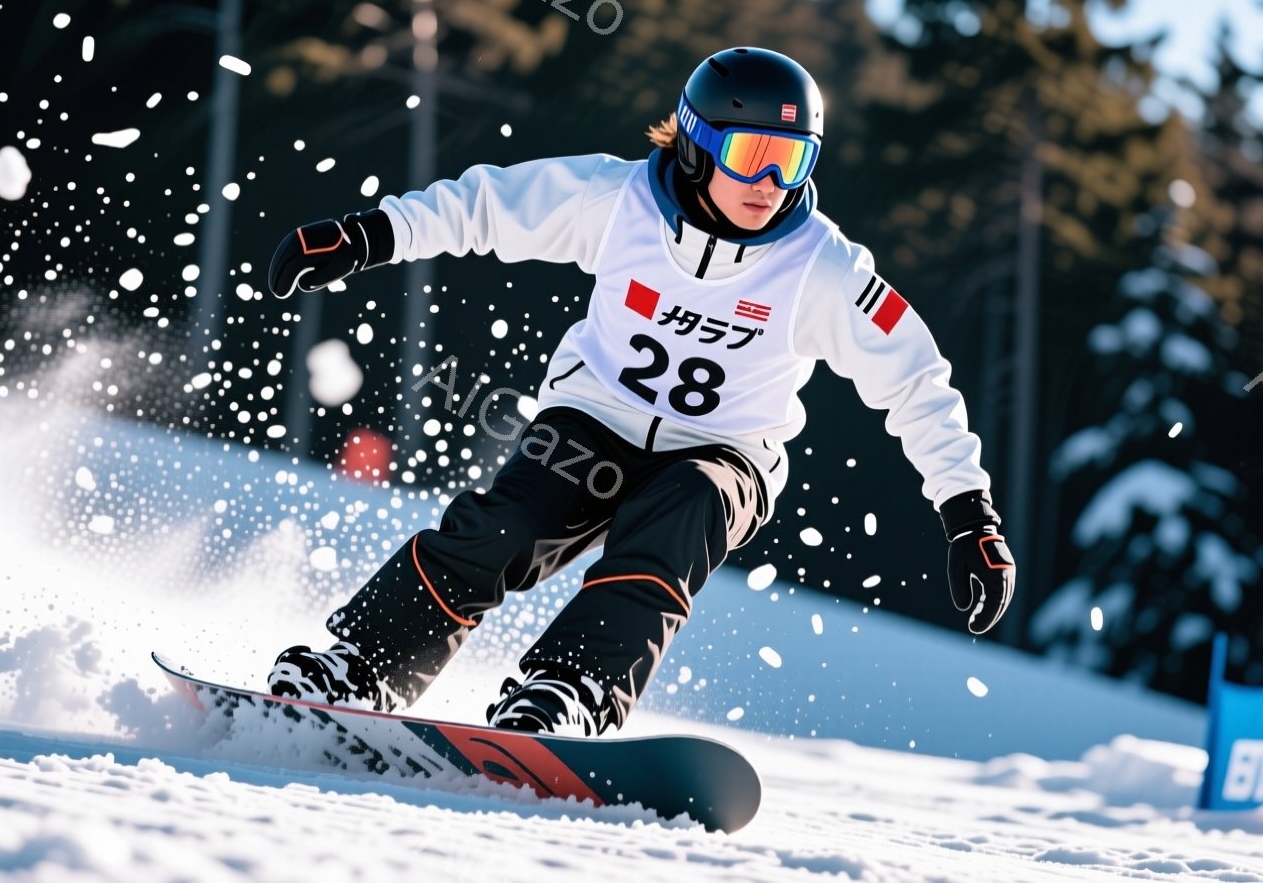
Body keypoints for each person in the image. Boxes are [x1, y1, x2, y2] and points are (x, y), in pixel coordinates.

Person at [263, 47, 1017, 737]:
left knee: (682, 511)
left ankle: (569, 689)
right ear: (696, 143)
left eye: (792, 162)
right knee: (505, 527)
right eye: (752, 155)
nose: (769, 184)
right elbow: (483, 205)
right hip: (592, 420)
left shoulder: (822, 267)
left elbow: (915, 379)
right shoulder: (616, 199)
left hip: (726, 455)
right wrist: (367, 236)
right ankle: (359, 667)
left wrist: (967, 511)